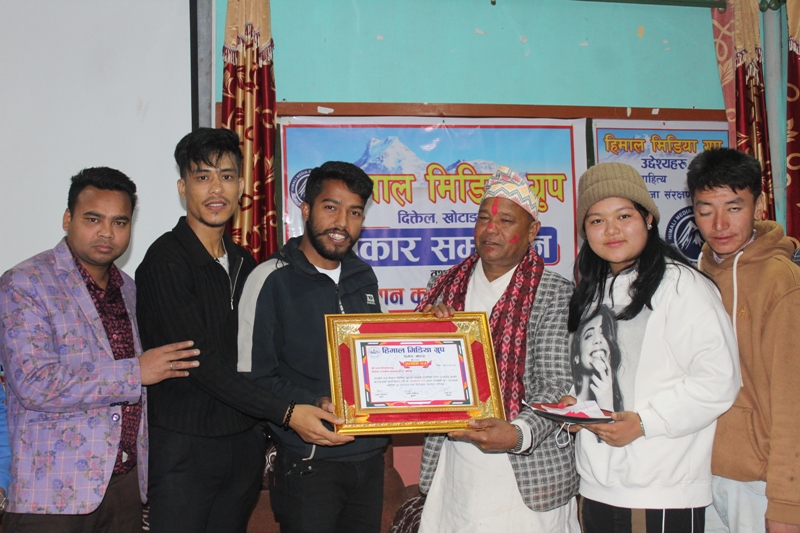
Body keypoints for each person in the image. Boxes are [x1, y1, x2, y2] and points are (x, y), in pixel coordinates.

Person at [136, 129, 349, 533]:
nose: (216, 189)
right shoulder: (165, 261)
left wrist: (311, 399)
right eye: (203, 177)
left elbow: (263, 356)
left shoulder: (244, 262)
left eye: (227, 176)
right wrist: (287, 413)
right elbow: (200, 363)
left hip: (243, 445)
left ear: (241, 187)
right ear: (183, 188)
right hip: (185, 448)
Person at [0, 168, 198, 532]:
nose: (107, 232)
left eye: (119, 222)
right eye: (93, 219)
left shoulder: (130, 289)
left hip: (125, 488)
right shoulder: (25, 282)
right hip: (52, 494)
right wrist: (135, 372)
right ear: (68, 219)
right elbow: (34, 382)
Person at [564, 162, 740, 533]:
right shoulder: (592, 291)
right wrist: (575, 405)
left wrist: (645, 423)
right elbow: (604, 376)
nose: (611, 230)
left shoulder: (682, 286)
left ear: (648, 218)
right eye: (596, 220)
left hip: (661, 490)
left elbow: (718, 381)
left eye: (623, 216)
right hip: (594, 487)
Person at [414, 167, 579, 532]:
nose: (491, 230)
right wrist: (424, 334)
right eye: (483, 219)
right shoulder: (444, 285)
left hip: (527, 473)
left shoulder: (555, 292)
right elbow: (419, 375)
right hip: (455, 468)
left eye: (505, 220)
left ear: (532, 231)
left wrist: (518, 434)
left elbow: (556, 384)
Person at [238, 161, 386, 533]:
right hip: (308, 463)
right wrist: (312, 402)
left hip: (369, 458)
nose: (342, 223)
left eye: (354, 212)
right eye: (330, 207)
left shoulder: (363, 276)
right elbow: (252, 377)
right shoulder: (269, 278)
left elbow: (377, 358)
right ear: (305, 210)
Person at [687, 148, 800, 533]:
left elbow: (792, 402)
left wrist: (787, 503)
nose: (719, 224)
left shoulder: (781, 282)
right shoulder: (694, 278)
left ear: (759, 205)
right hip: (698, 473)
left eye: (733, 208)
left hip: (758, 483)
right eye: (706, 211)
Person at [570, 304, 622, 412]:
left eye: (604, 333)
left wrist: (607, 404)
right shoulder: (567, 403)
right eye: (589, 335)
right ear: (576, 357)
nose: (598, 340)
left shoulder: (620, 407)